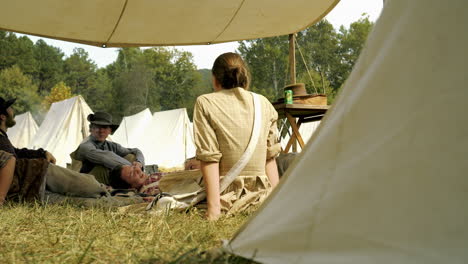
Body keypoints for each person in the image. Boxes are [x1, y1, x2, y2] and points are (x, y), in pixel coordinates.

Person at [193, 52, 281, 220]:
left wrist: (214, 210)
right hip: (262, 195)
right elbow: (270, 157)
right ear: (244, 77)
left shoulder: (205, 102)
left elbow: (209, 158)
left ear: (215, 79)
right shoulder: (264, 103)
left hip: (227, 195)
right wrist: (277, 202)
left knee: (174, 182)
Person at [0, 97, 107, 203]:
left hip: (30, 187)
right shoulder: (1, 140)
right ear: (2, 117)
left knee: (84, 196)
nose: (12, 110)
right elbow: (9, 158)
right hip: (36, 175)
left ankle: (112, 198)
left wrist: (42, 153)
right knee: (89, 188)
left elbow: (16, 152)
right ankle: (108, 193)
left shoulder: (3, 139)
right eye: (9, 108)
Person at [74, 112, 145, 186]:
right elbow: (105, 157)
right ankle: (137, 183)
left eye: (104, 127)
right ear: (90, 129)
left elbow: (136, 150)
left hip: (105, 181)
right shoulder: (85, 146)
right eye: (97, 127)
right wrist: (134, 169)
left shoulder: (111, 145)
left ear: (110, 131)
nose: (101, 131)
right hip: (84, 182)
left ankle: (135, 182)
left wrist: (139, 163)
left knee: (131, 156)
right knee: (106, 168)